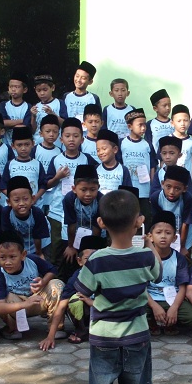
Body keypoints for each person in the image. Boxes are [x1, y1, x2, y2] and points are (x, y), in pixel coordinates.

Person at [66, 189, 161, 384]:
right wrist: (149, 241)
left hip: (104, 336)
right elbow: (158, 274)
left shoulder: (96, 260)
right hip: (137, 335)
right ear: (138, 222)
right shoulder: (144, 256)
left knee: (100, 383)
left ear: (101, 223)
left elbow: (82, 290)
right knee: (135, 382)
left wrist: (96, 302)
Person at [0, 230, 64, 340]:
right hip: (17, 306)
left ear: (23, 255)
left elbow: (52, 270)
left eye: (12, 257)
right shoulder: (0, 274)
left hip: (37, 300)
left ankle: (55, 327)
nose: (8, 262)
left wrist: (43, 282)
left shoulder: (32, 260)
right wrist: (24, 304)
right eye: (3, 257)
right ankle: (13, 328)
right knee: (5, 297)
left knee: (57, 284)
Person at [39, 235, 106, 350]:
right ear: (79, 261)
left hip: (106, 312)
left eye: (97, 258)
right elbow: (61, 306)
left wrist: (93, 302)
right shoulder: (76, 278)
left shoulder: (110, 274)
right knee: (75, 300)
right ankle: (82, 331)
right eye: (88, 259)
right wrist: (51, 336)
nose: (93, 263)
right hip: (88, 314)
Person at [46, 118, 98, 264]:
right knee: (58, 249)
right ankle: (56, 280)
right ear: (61, 139)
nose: (71, 139)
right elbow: (47, 184)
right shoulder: (56, 159)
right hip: (58, 211)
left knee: (80, 248)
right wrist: (58, 176)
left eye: (76, 136)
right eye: (67, 136)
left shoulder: (87, 159)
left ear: (82, 139)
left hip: (82, 213)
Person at [145, 211, 192, 335]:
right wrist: (154, 306)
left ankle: (170, 322)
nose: (163, 236)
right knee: (135, 312)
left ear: (175, 238)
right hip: (150, 299)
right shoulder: (145, 257)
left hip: (172, 299)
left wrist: (174, 308)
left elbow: (182, 288)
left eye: (168, 233)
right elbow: (142, 288)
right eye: (158, 232)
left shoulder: (179, 259)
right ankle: (153, 322)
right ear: (150, 236)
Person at [61, 165, 103, 277]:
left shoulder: (101, 200)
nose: (88, 194)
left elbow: (97, 227)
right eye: (83, 190)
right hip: (74, 235)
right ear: (74, 189)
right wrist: (71, 246)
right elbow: (71, 223)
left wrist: (90, 249)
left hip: (95, 236)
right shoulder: (69, 199)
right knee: (69, 256)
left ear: (98, 187)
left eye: (92, 190)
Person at [149, 165, 192, 256]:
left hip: (184, 229)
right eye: (168, 187)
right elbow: (157, 222)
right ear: (162, 184)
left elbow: (186, 223)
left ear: (185, 189)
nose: (171, 192)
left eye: (177, 189)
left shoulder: (187, 199)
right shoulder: (156, 197)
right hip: (164, 229)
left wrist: (182, 246)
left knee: (183, 255)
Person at [120, 108, 156, 224]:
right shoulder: (122, 143)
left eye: (144, 125)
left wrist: (151, 185)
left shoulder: (147, 144)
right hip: (128, 188)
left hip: (144, 189)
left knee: (144, 217)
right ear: (130, 126)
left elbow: (152, 166)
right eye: (140, 125)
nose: (143, 128)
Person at [4, 176, 50, 257]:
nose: (21, 203)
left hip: (40, 243)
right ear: (9, 202)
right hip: (18, 243)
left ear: (32, 199)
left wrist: (39, 254)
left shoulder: (37, 213)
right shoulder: (6, 213)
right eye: (16, 200)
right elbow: (8, 236)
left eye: (25, 199)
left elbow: (38, 236)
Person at [3, 125, 47, 203]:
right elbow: (3, 185)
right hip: (15, 207)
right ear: (13, 146)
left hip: (35, 205)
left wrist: (35, 197)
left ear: (33, 144)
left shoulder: (37, 164)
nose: (23, 148)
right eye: (19, 145)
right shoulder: (10, 164)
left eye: (27, 144)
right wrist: (13, 198)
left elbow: (43, 185)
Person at [30, 72, 67, 145]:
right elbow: (33, 130)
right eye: (39, 90)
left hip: (56, 144)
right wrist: (33, 116)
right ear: (35, 90)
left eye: (45, 89)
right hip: (38, 143)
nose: (42, 93)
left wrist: (52, 114)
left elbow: (65, 124)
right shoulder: (36, 106)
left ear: (52, 88)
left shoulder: (59, 103)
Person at [0, 73, 32, 146]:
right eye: (11, 87)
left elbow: (26, 127)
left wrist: (9, 123)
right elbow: (1, 123)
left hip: (22, 147)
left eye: (17, 87)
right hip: (6, 145)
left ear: (25, 90)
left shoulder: (28, 107)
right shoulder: (3, 105)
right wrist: (21, 121)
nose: (13, 89)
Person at [95, 129, 131, 195]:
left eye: (104, 149)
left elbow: (127, 195)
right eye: (98, 150)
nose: (101, 153)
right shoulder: (95, 169)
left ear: (115, 149)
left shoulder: (123, 170)